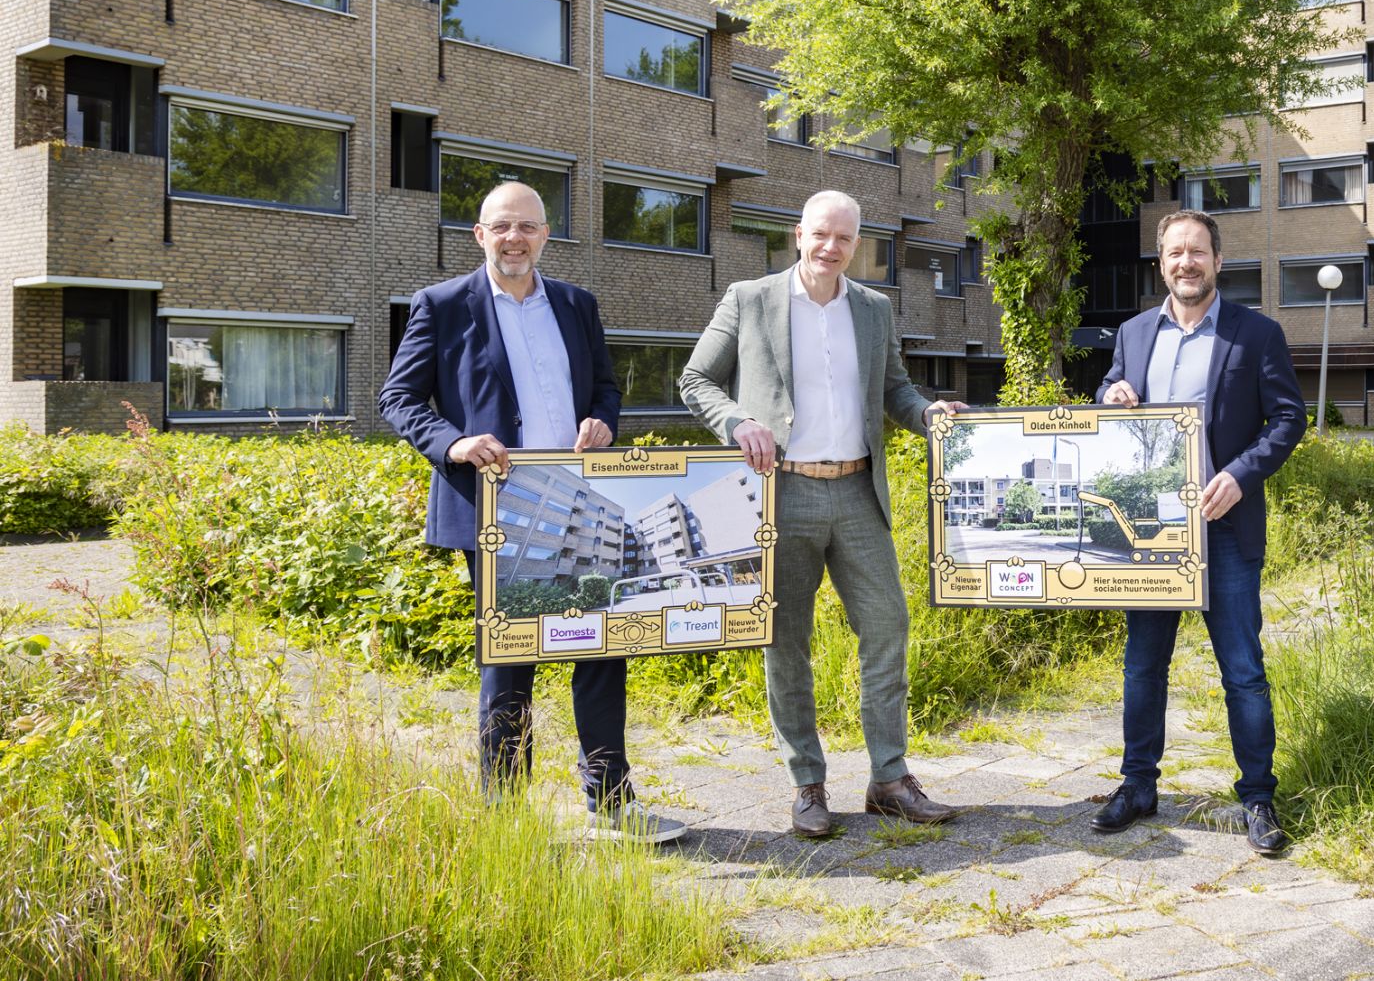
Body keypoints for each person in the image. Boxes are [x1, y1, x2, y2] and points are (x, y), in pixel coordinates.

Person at [379, 180, 683, 843]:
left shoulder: (576, 304)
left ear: (546, 235)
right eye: (501, 226)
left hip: (580, 503)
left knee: (603, 652)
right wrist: (453, 442)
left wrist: (603, 419)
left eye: (527, 227)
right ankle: (506, 818)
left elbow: (604, 384)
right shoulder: (441, 305)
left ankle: (611, 799)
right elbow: (399, 401)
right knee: (510, 660)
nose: (514, 238)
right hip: (495, 509)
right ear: (480, 235)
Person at [680, 189, 966, 838]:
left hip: (858, 491)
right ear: (798, 234)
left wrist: (927, 415)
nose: (831, 247)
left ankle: (889, 779)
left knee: (888, 624)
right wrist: (738, 420)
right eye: (820, 235)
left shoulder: (872, 309)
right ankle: (807, 784)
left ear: (855, 244)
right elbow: (696, 380)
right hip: (782, 494)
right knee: (786, 643)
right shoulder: (750, 300)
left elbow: (894, 389)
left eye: (844, 238)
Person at [1093, 208, 1308, 855]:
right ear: (1161, 262)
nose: (1185, 262)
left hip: (1226, 528)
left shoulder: (1256, 334)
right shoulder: (1133, 333)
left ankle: (1258, 797)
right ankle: (1138, 786)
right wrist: (1111, 396)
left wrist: (1242, 475)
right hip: (1152, 534)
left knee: (1242, 669)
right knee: (1142, 667)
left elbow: (1288, 420)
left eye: (1197, 252)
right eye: (1174, 253)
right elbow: (1109, 388)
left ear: (1217, 260)